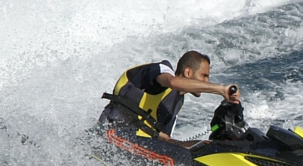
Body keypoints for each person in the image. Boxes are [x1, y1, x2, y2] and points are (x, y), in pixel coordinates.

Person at [99, 50, 240, 144]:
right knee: (178, 164)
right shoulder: (162, 70)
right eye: (204, 76)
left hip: (135, 146)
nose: (206, 82)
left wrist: (205, 146)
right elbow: (173, 82)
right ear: (188, 72)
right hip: (111, 136)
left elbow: (166, 141)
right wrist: (221, 90)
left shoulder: (175, 104)